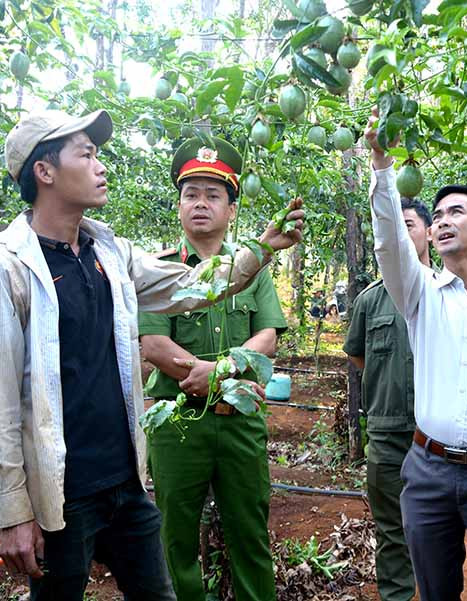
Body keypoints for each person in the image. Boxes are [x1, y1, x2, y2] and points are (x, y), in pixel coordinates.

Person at [0, 110, 304, 601]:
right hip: (64, 490)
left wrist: (261, 250)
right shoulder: (1, 270)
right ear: (45, 171)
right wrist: (13, 512)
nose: (100, 167)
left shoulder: (109, 252)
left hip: (125, 481)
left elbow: (191, 287)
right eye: (87, 154)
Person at [366, 111, 467, 601]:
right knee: (435, 591)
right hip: (428, 470)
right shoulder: (419, 294)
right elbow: (391, 243)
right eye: (436, 217)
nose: (441, 222)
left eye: (455, 212)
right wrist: (381, 167)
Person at [138, 138, 288, 601]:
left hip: (240, 421)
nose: (200, 203)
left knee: (250, 536)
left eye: (212, 195)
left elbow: (268, 336)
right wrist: (203, 374)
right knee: (174, 539)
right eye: (190, 194)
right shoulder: (156, 268)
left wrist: (219, 372)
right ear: (179, 205)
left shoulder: (253, 267)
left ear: (230, 207)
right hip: (178, 422)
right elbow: (154, 343)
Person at [343, 196, 432, 601]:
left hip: (438, 436)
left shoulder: (446, 292)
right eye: (393, 227)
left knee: (438, 531)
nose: (400, 233)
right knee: (392, 531)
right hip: (387, 433)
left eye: (408, 225)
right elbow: (359, 356)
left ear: (429, 232)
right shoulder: (369, 301)